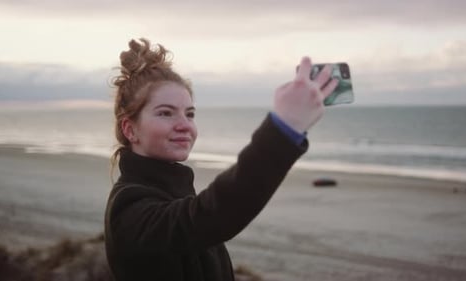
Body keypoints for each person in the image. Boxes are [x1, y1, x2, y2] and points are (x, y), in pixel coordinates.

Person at [104, 38, 338, 281]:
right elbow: (215, 213)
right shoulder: (130, 210)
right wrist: (285, 129)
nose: (185, 125)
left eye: (190, 113)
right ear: (130, 129)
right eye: (165, 113)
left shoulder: (172, 190)